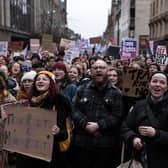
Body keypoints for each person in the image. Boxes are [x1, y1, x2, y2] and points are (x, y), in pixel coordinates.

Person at [72, 59, 122, 168]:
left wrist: (99, 125)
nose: (98, 70)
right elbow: (74, 110)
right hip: (82, 143)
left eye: (102, 68)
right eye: (95, 68)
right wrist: (85, 124)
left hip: (105, 145)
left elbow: (117, 116)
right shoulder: (81, 89)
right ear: (91, 71)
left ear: (107, 71)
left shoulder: (116, 93)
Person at [16, 70, 69, 168]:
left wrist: (57, 132)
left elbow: (64, 134)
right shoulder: (27, 101)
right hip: (28, 153)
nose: (40, 81)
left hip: (47, 155)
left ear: (51, 83)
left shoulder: (58, 101)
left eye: (44, 79)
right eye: (38, 79)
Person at [121, 71, 168, 168]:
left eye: (162, 82)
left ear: (166, 87)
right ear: (149, 85)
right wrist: (133, 138)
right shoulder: (139, 105)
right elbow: (125, 127)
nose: (157, 85)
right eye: (154, 81)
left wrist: (156, 133)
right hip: (141, 160)